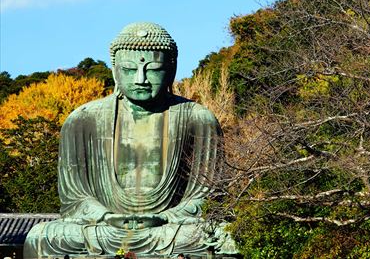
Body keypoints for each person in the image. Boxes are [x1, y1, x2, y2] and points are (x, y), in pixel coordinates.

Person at [23, 23, 237, 258]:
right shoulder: (83, 120)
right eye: (128, 69)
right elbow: (75, 199)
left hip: (169, 230)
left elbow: (209, 197)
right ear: (115, 70)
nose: (141, 79)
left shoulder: (197, 118)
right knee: (42, 236)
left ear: (171, 70)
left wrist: (166, 217)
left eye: (153, 69)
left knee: (223, 236)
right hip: (104, 229)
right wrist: (105, 216)